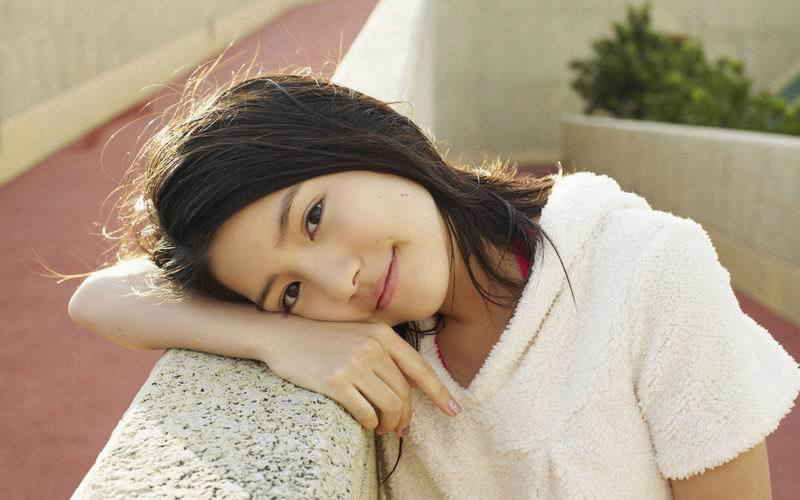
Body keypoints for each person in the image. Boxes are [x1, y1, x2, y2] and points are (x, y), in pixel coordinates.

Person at [68, 72, 800, 500]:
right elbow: (98, 298)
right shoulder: (362, 334)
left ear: (367, 140)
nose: (340, 282)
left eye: (315, 217)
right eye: (289, 291)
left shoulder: (644, 267)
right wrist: (273, 335)